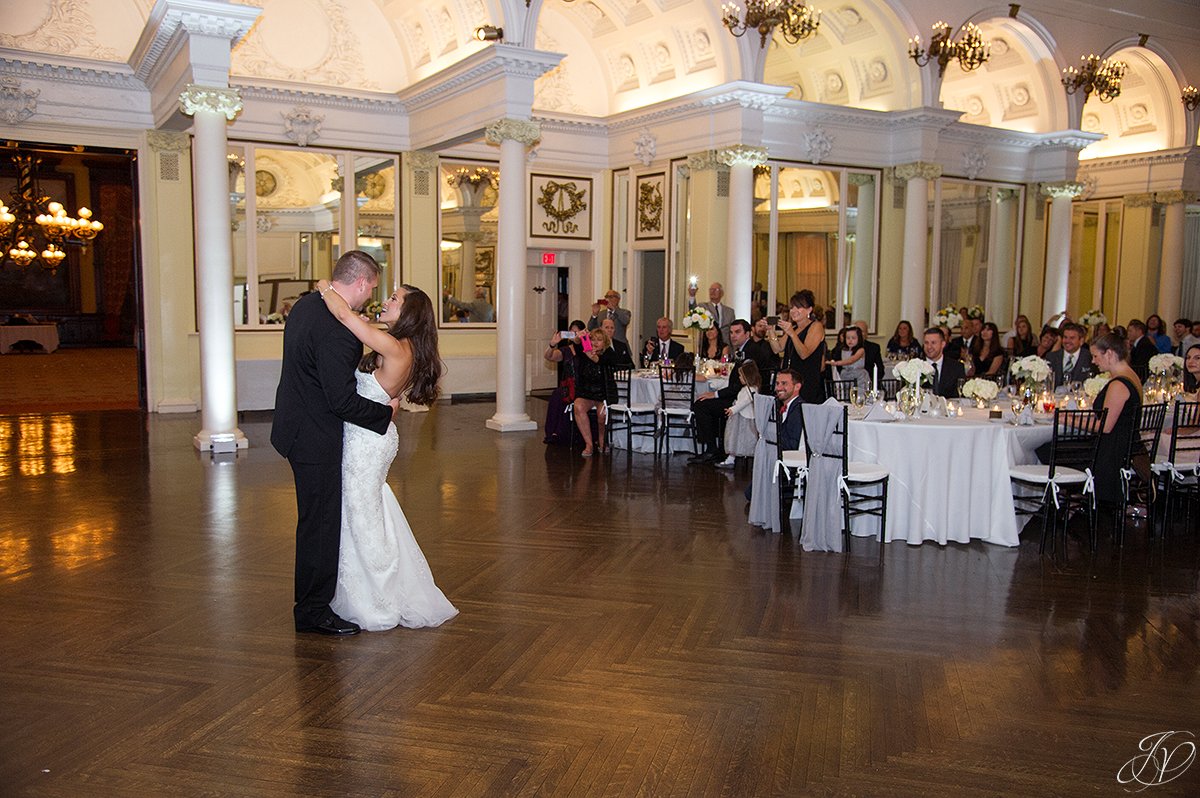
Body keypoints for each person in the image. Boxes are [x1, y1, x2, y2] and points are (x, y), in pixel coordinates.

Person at [313, 275, 457, 632]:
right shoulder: (400, 346)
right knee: (366, 510)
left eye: (394, 298)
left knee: (363, 516)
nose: (386, 302)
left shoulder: (396, 348)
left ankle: (377, 598)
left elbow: (346, 317)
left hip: (368, 443)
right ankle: (361, 587)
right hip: (369, 436)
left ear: (408, 312)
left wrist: (324, 287)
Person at [271, 251, 399, 636]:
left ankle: (312, 603)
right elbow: (340, 401)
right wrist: (385, 414)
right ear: (360, 282)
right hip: (315, 440)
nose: (370, 297)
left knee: (315, 521)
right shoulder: (340, 332)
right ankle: (312, 612)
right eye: (372, 288)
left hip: (294, 428)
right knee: (321, 525)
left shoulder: (307, 305)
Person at [690, 319, 774, 465]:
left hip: (746, 401)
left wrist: (716, 394)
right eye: (731, 332)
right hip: (742, 395)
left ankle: (712, 450)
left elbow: (743, 384)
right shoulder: (745, 349)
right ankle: (718, 448)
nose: (733, 336)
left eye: (737, 332)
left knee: (700, 405)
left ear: (748, 333)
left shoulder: (750, 352)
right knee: (705, 402)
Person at [1089, 332, 1144, 507]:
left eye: (1096, 356)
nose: (1093, 361)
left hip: (1111, 453)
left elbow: (1105, 427)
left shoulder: (1119, 384)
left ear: (1110, 354)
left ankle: (1068, 506)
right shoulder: (1132, 375)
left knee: (1047, 449)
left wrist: (1066, 420)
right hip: (1125, 446)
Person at [768, 289, 826, 404]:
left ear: (809, 309)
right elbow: (777, 348)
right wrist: (770, 331)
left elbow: (804, 354)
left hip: (806, 380)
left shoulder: (816, 327)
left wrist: (791, 333)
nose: (793, 311)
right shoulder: (794, 329)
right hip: (790, 381)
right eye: (792, 307)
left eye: (798, 307)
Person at [574, 328, 621, 457]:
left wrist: (589, 352)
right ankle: (588, 444)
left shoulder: (609, 353)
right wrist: (580, 338)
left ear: (605, 342)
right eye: (593, 339)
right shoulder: (584, 351)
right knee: (578, 406)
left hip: (604, 393)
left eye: (599, 340)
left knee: (602, 415)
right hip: (587, 392)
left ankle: (602, 440)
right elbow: (576, 345)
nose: (595, 342)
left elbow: (597, 360)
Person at [542, 321, 587, 446]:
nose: (574, 335)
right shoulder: (566, 350)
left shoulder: (587, 348)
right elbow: (549, 356)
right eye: (571, 332)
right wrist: (552, 344)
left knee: (562, 394)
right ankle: (555, 432)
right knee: (558, 394)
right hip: (569, 386)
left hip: (584, 386)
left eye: (577, 332)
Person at [715, 359, 763, 469]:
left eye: (741, 376)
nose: (740, 378)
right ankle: (731, 458)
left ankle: (734, 457)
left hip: (743, 418)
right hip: (741, 416)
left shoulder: (749, 390)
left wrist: (733, 409)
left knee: (737, 437)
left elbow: (744, 402)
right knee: (736, 438)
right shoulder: (749, 389)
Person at [1046, 322, 1094, 387]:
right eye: (1065, 337)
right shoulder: (1051, 357)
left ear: (1081, 341)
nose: (1067, 341)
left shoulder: (1090, 358)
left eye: (1072, 338)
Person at [922, 326, 965, 398]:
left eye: (933, 343)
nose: (929, 347)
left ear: (943, 344)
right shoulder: (916, 366)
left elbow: (960, 396)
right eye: (926, 343)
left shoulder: (956, 367)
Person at [830, 325, 868, 392]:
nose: (850, 340)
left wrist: (837, 363)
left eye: (853, 338)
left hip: (858, 376)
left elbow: (851, 360)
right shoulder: (843, 350)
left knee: (858, 394)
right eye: (848, 338)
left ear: (859, 339)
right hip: (845, 375)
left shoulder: (861, 350)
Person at [853, 319, 884, 384]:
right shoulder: (845, 349)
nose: (859, 334)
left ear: (866, 334)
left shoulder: (874, 348)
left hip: (870, 383)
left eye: (862, 331)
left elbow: (880, 371)